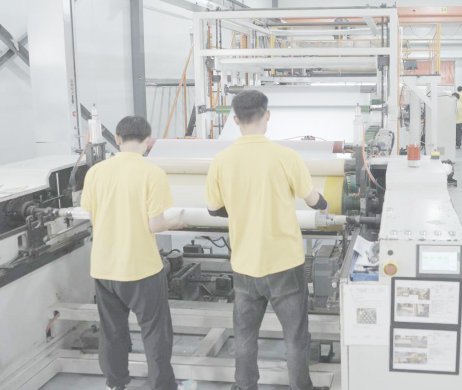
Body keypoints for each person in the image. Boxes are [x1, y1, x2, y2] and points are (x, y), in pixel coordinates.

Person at [205, 90, 329, 390]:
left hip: (245, 264)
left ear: (235, 120)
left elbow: (213, 208)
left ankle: (245, 386)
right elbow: (313, 200)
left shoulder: (221, 161)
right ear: (268, 115)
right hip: (285, 263)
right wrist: (325, 203)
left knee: (245, 336)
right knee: (295, 336)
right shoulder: (286, 157)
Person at [79, 116, 196, 390]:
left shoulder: (95, 172)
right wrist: (175, 221)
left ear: (118, 139)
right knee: (155, 332)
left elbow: (93, 218)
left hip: (104, 268)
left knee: (112, 332)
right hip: (140, 268)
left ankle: (115, 384)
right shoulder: (152, 173)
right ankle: (162, 385)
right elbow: (155, 225)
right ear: (148, 141)